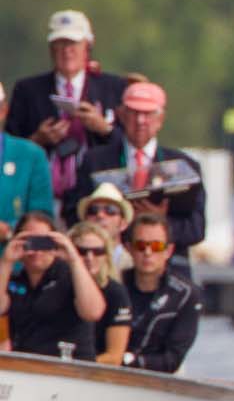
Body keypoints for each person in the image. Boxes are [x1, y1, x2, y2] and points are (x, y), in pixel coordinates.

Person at [67, 77, 206, 271]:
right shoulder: (95, 161)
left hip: (166, 269)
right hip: (108, 266)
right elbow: (73, 213)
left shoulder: (183, 165)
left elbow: (196, 229)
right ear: (121, 115)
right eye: (134, 113)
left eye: (148, 114)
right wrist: (110, 219)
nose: (141, 121)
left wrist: (158, 221)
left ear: (160, 119)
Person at [6, 10, 123, 197]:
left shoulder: (112, 87)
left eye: (72, 43)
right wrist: (38, 140)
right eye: (59, 44)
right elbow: (9, 147)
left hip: (96, 193)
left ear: (87, 46)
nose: (66, 50)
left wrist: (103, 128)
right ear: (51, 49)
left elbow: (130, 146)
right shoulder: (28, 90)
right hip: (43, 190)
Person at [0, 210, 107, 359]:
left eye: (44, 242)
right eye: (30, 242)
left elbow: (93, 312)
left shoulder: (71, 275)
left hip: (70, 365)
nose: (37, 251)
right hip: (27, 365)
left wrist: (74, 258)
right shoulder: (15, 279)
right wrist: (6, 262)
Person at [119, 212, 199, 372]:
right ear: (128, 248)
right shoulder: (116, 284)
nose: (148, 253)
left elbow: (173, 359)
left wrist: (127, 360)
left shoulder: (185, 294)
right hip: (110, 370)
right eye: (141, 246)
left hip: (161, 378)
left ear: (169, 251)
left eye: (156, 246)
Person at [69, 221, 131, 363]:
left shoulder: (115, 292)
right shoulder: (58, 286)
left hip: (93, 372)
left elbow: (114, 357)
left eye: (97, 252)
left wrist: (74, 368)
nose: (90, 258)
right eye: (82, 252)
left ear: (107, 255)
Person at [2, 119, 55, 237]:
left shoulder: (31, 154)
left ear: (3, 111)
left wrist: (9, 231)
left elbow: (42, 216)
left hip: (15, 250)